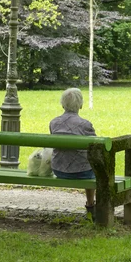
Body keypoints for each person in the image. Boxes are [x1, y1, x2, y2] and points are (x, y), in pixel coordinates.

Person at [50, 88, 97, 218]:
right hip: (82, 173)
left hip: (58, 170)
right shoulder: (85, 125)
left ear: (62, 104)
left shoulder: (54, 123)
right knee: (92, 167)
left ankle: (91, 204)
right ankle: (91, 205)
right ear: (81, 105)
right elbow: (96, 148)